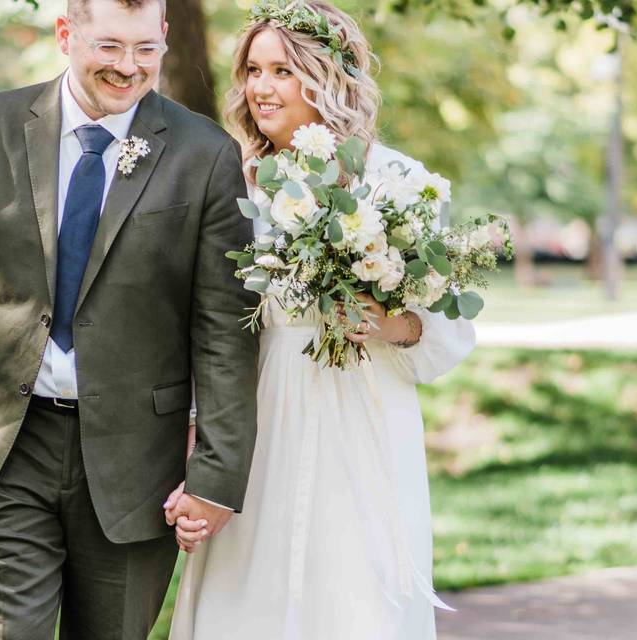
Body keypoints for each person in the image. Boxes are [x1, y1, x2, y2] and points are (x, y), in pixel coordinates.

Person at [0, 1, 259, 638]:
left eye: (146, 48)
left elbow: (225, 332)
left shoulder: (205, 155)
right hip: (6, 445)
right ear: (67, 34)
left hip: (137, 466)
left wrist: (216, 479)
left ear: (166, 38)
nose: (129, 67)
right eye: (111, 47)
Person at [166, 2, 476, 638]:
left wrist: (384, 323)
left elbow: (447, 328)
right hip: (258, 407)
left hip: (361, 411)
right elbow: (203, 326)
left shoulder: (396, 181)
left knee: (352, 585)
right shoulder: (233, 185)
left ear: (327, 76)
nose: (260, 87)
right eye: (253, 69)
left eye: (282, 70)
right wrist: (199, 431)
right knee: (251, 584)